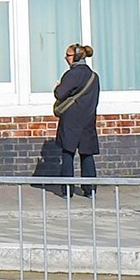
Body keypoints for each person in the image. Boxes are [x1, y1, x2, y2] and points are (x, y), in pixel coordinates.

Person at [53, 42, 101, 197]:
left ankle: (67, 191)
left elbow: (60, 94)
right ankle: (90, 190)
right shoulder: (94, 76)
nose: (65, 58)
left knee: (67, 154)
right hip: (88, 119)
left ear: (76, 56)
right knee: (87, 155)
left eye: (68, 55)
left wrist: (58, 86)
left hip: (70, 120)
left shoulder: (71, 74)